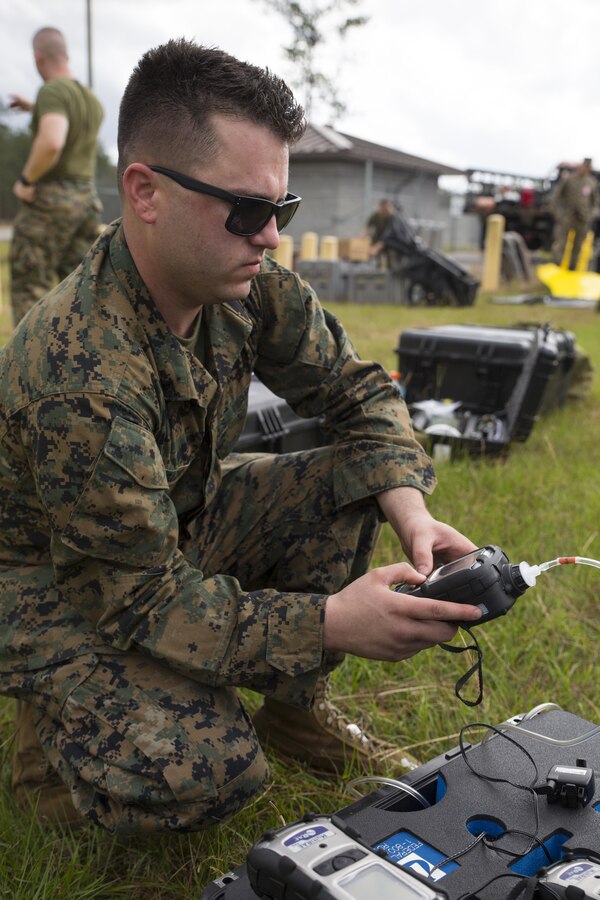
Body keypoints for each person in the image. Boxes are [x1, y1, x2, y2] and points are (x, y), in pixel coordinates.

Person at [0, 39, 481, 835]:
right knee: (215, 769)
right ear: (146, 192)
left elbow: (358, 392)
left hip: (168, 535)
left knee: (347, 477)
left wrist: (412, 514)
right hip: (62, 588)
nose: (271, 237)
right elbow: (143, 599)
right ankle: (52, 759)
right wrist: (332, 622)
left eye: (280, 211)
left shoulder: (242, 286)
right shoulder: (79, 372)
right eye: (249, 211)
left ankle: (296, 718)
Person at [9, 26, 104, 325]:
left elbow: (52, 141)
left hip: (52, 201)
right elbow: (67, 121)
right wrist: (34, 108)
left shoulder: (51, 91)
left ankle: (29, 368)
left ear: (38, 57)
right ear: (66, 55)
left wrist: (26, 181)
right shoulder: (90, 100)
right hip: (86, 202)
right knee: (80, 292)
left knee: (30, 285)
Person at [551, 158, 598, 269]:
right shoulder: (569, 179)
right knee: (561, 242)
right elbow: (557, 197)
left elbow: (594, 202)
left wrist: (591, 215)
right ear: (581, 166)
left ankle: (572, 268)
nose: (585, 169)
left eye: (588, 167)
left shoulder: (592, 183)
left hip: (583, 219)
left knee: (578, 245)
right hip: (567, 216)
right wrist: (558, 213)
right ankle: (557, 266)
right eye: (584, 166)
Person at [365, 198, 396, 268]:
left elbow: (388, 235)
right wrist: (364, 238)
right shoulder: (376, 215)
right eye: (382, 209)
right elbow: (367, 227)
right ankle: (376, 270)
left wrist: (376, 248)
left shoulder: (393, 218)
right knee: (375, 258)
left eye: (386, 210)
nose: (384, 212)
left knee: (391, 259)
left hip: (391, 241)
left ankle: (391, 273)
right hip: (378, 238)